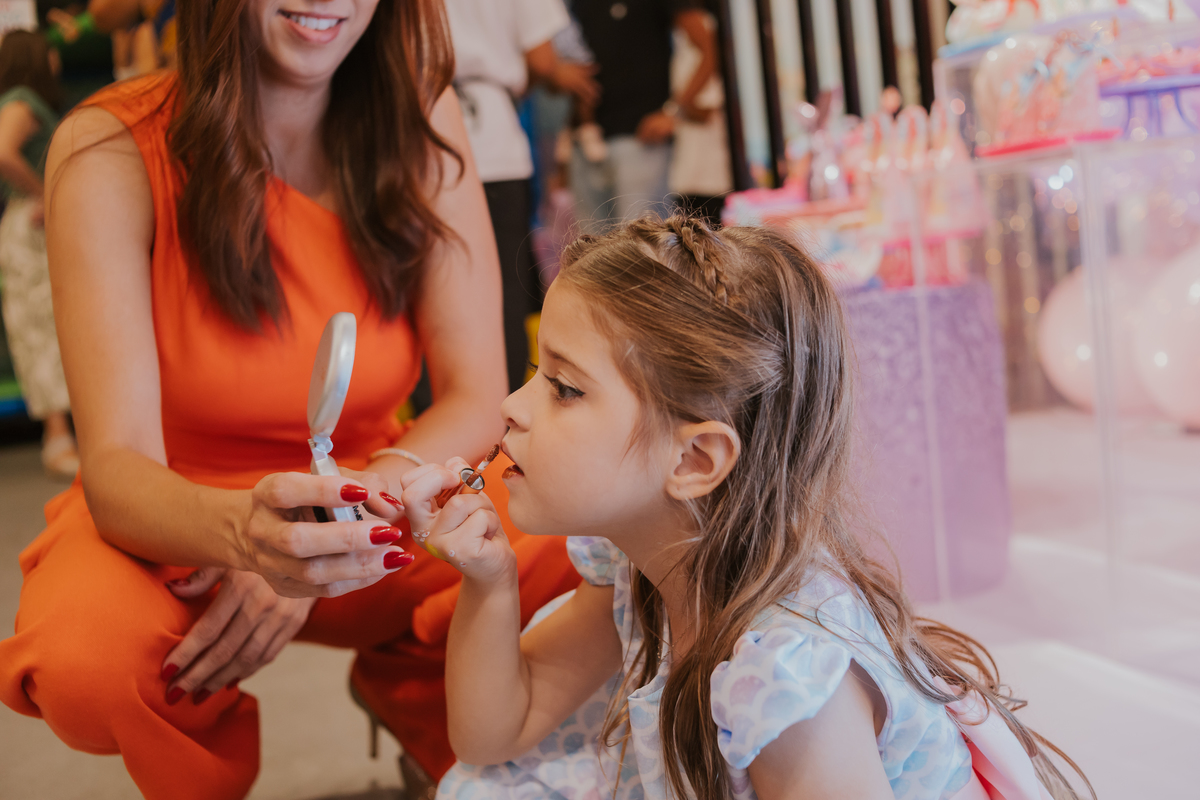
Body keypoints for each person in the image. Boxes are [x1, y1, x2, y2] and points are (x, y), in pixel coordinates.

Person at [0, 1, 579, 797]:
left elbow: (476, 396)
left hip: (377, 488)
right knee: (85, 657)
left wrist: (324, 532)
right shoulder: (109, 146)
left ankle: (434, 709)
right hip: (179, 516)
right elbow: (117, 465)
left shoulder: (418, 114)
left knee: (584, 531)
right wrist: (249, 538)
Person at [400, 216, 1092, 800]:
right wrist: (490, 582)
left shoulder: (791, 681)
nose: (511, 407)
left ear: (694, 461)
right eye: (536, 373)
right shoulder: (641, 570)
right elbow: (494, 735)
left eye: (564, 388)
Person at [444, 0, 599, 393]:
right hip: (493, 138)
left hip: (424, 136)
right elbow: (543, 59)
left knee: (436, 288)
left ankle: (439, 409)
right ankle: (506, 409)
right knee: (504, 292)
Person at [569, 0, 717, 232]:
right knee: (591, 248)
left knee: (643, 246)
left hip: (641, 140)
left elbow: (710, 47)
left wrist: (674, 110)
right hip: (587, 140)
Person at [0, 30, 76, 479]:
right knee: (44, 326)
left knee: (44, 325)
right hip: (31, 228)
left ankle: (61, 435)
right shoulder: (24, 100)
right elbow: (3, 153)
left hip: (24, 225)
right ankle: (58, 437)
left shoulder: (16, 99)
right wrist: (42, 193)